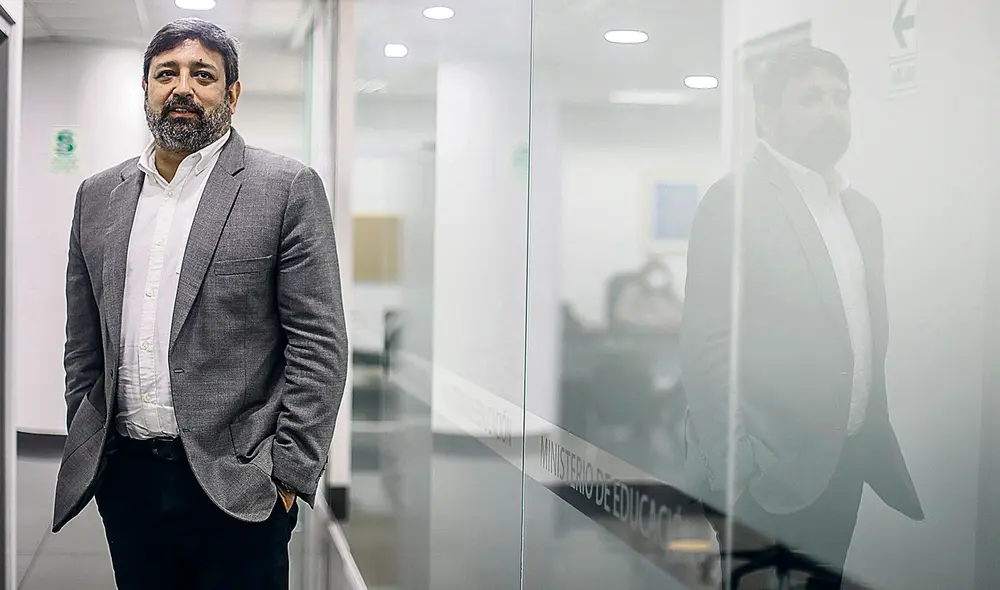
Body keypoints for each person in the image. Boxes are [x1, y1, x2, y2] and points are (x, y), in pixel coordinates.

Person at [51, 18, 348, 590]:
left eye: (203, 75)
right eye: (166, 74)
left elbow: (320, 344)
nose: (182, 88)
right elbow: (83, 341)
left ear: (231, 94)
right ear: (146, 89)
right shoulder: (98, 196)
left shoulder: (285, 188)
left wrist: (288, 475)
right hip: (128, 479)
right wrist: (88, 436)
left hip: (240, 486)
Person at [680, 46, 923, 589]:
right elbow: (706, 347)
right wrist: (736, 470)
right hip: (764, 475)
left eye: (840, 98)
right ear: (767, 114)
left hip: (843, 463)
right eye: (811, 98)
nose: (831, 110)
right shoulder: (734, 202)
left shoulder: (860, 212)